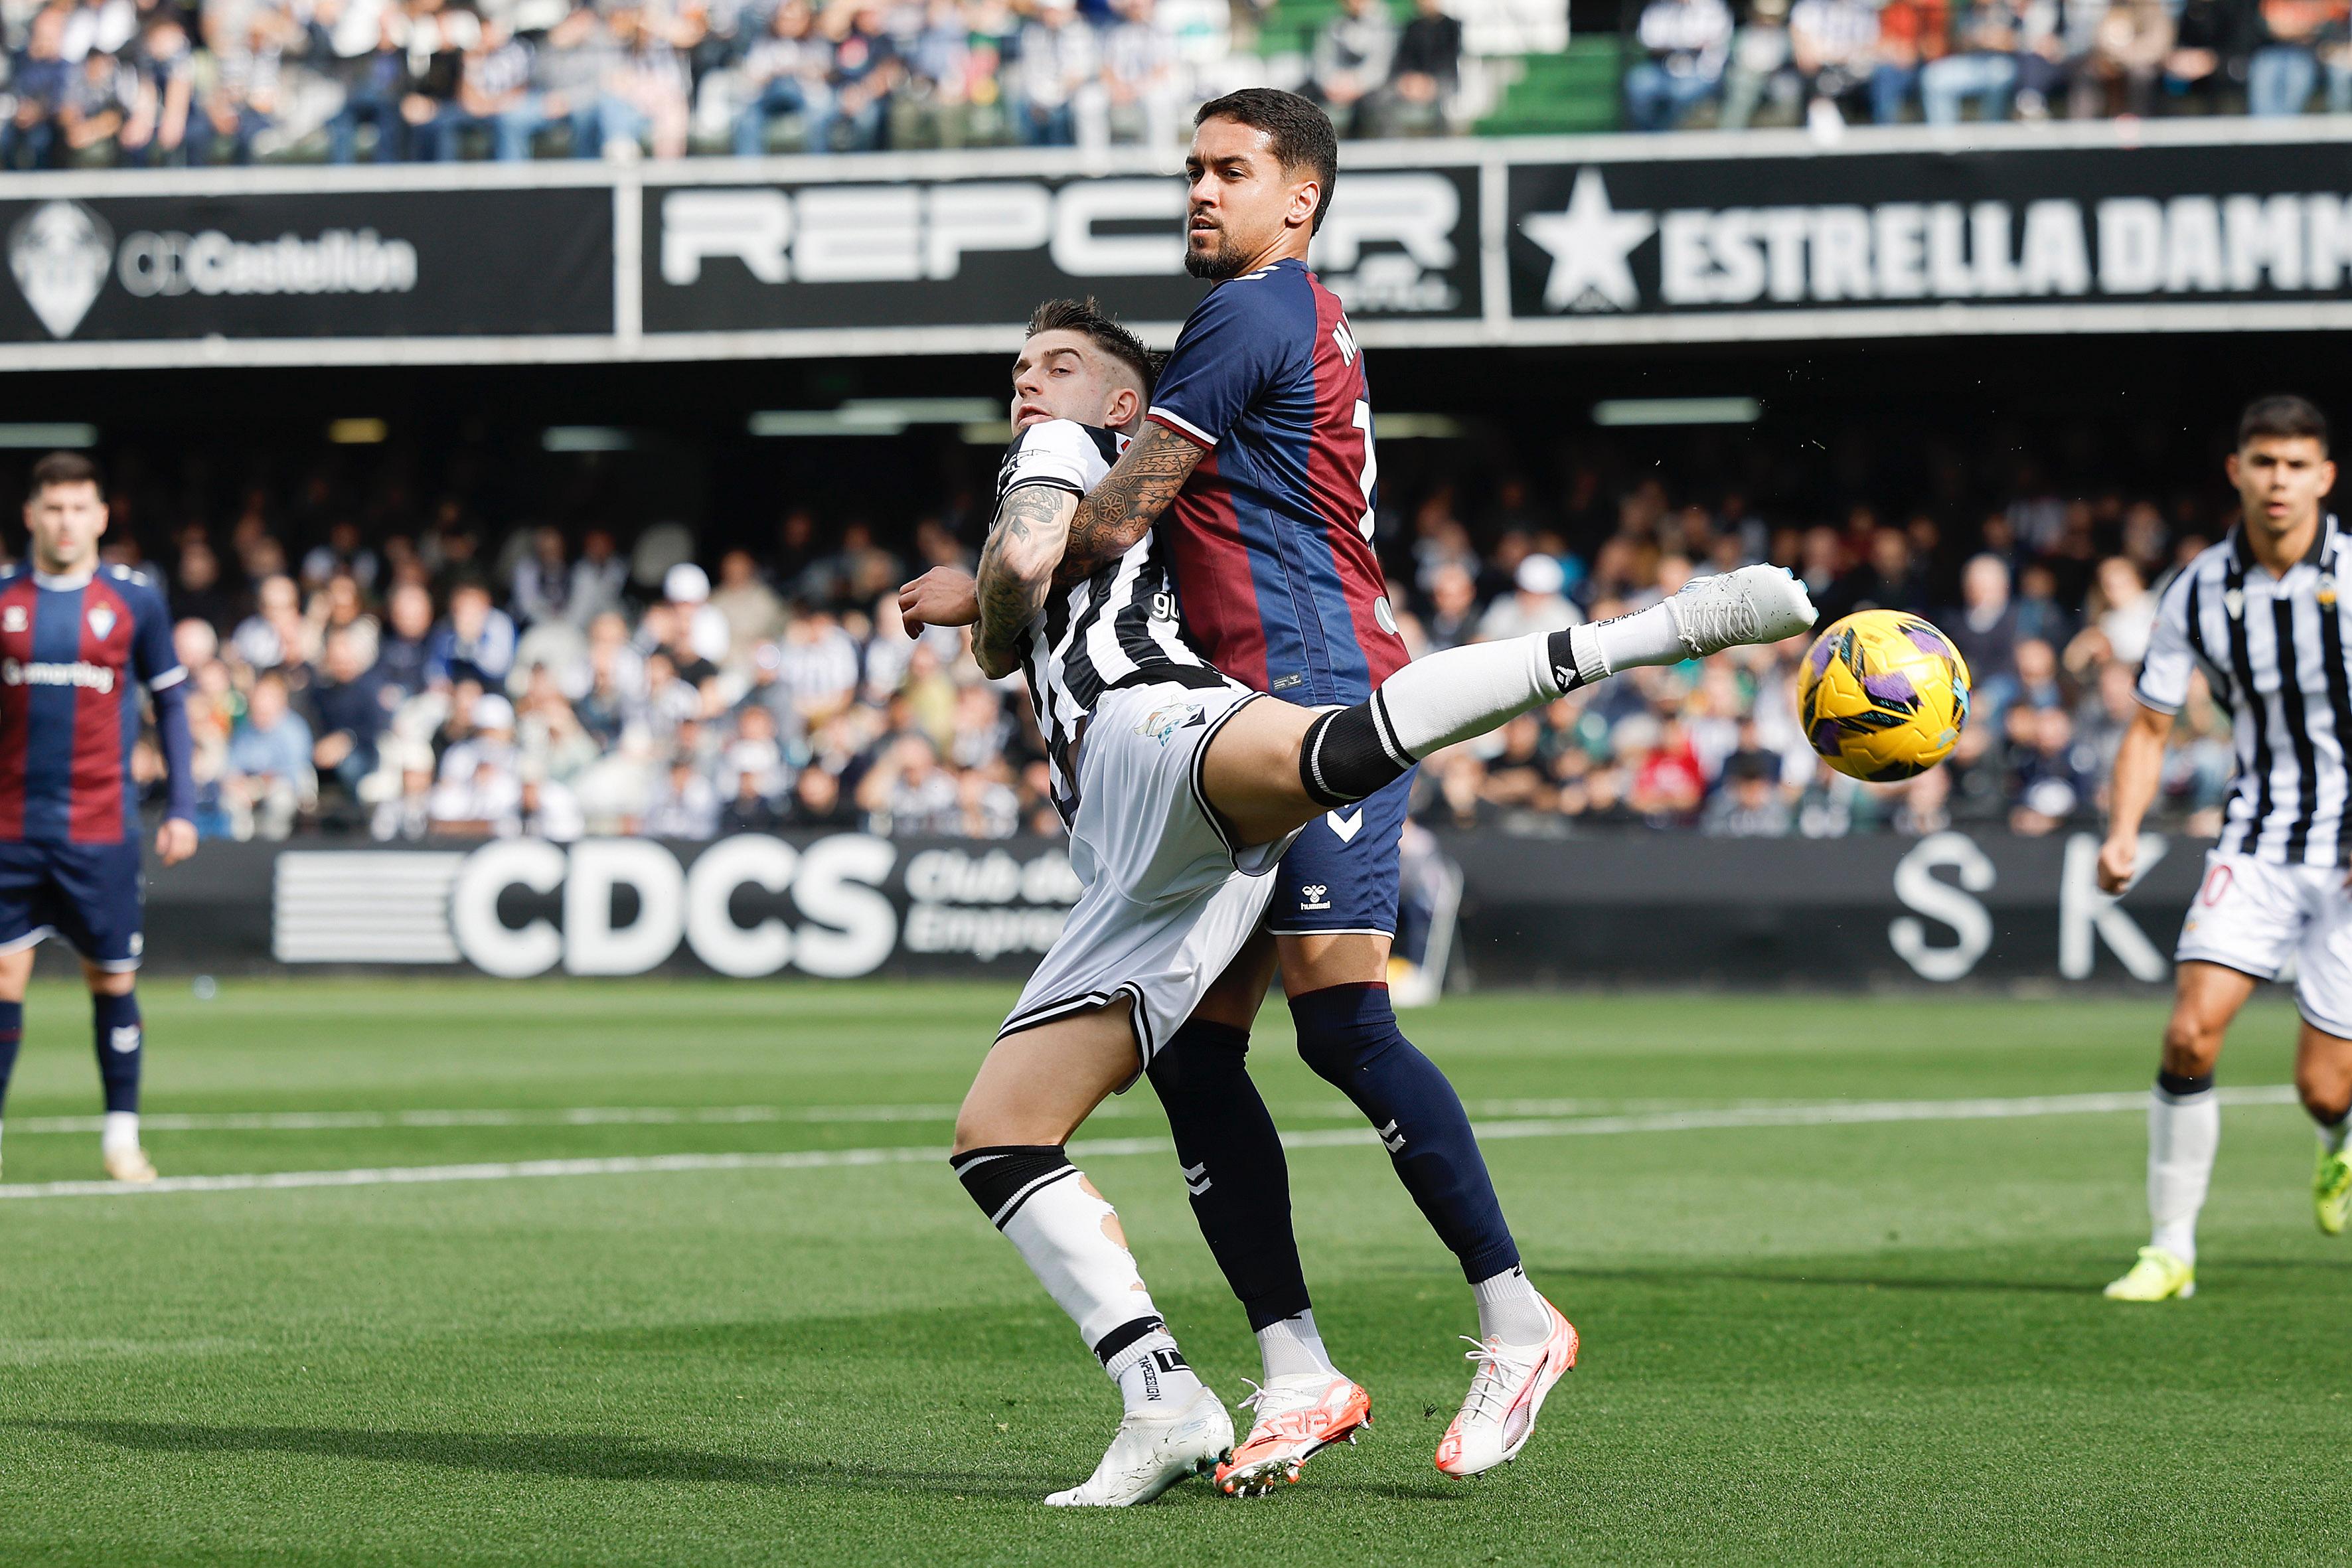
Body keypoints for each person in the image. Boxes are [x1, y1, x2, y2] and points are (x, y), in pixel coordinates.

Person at [896, 296, 1813, 1506]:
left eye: (1056, 364)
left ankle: (1666, 626)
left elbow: (1019, 567)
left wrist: (986, 604)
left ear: (1121, 404)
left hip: (1153, 734)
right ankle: (1178, 1392)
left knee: (1343, 897)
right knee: (1014, 1130)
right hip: (1128, 851)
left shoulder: (1064, 448)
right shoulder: (1141, 478)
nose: (1027, 384)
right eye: (1016, 368)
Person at [2096, 395, 2352, 1302]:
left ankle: (2337, 1138)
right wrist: (2123, 830)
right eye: (2261, 462)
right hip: (2255, 836)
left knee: (2323, 1089)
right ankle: (2169, 1249)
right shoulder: (2198, 588)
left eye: (2294, 465)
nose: (2276, 480)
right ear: (2234, 472)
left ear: (2322, 477)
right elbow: (2147, 726)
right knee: (2186, 1032)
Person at [0, 454, 197, 1184]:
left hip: (100, 828)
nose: (66, 521)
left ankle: (122, 1139)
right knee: (2, 976)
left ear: (101, 516)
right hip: (10, 829)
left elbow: (172, 701)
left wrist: (181, 806)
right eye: (53, 508)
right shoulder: (4, 600)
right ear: (31, 515)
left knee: (111, 981)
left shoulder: (134, 601)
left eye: (79, 508)